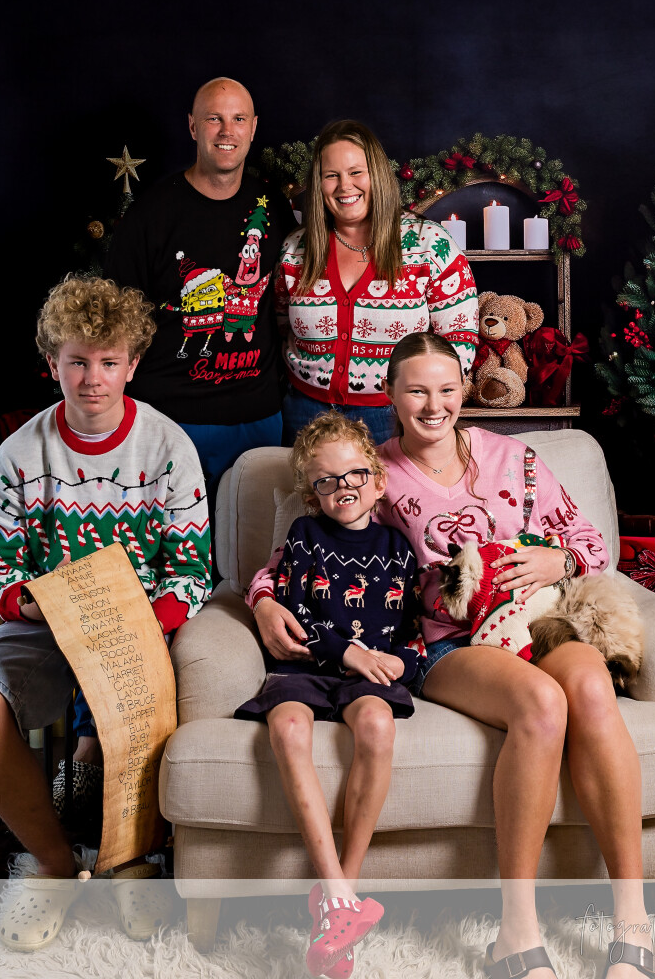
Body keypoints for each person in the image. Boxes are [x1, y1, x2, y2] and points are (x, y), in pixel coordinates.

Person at [249, 333, 655, 979]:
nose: (433, 404)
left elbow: (589, 540)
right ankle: (517, 932)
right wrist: (261, 601)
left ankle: (631, 924)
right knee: (540, 702)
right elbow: (295, 556)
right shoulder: (375, 473)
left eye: (446, 389)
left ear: (464, 389)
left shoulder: (513, 459)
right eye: (416, 391)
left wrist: (558, 559)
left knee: (588, 687)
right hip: (450, 643)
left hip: (537, 619)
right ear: (390, 395)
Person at [0, 275, 212, 951]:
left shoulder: (168, 447)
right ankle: (52, 862)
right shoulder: (20, 451)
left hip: (139, 623)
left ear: (132, 364)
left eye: (108, 362)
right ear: (52, 363)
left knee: (145, 705)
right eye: (77, 361)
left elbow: (190, 573)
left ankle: (130, 858)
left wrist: (145, 623)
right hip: (46, 622)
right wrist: (34, 604)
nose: (93, 379)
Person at [238, 410, 422, 978]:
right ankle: (336, 891)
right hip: (309, 663)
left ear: (378, 481)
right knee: (288, 726)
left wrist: (404, 660)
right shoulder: (304, 537)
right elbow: (295, 615)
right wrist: (348, 653)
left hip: (369, 674)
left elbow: (416, 631)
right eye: (326, 480)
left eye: (355, 474)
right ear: (311, 494)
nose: (344, 487)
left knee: (377, 726)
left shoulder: (399, 548)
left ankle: (343, 893)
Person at [104, 76, 296, 513]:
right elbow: (116, 323)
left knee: (252, 547)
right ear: (193, 126)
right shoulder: (151, 215)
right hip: (170, 417)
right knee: (169, 546)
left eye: (238, 119)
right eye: (214, 119)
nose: (227, 131)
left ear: (253, 127)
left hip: (257, 419)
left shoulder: (273, 207)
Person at [277, 119, 478, 446]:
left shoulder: (429, 244)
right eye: (331, 175)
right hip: (305, 413)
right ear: (319, 183)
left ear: (378, 175)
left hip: (393, 416)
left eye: (356, 172)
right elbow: (280, 326)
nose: (345, 186)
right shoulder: (295, 249)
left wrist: (427, 403)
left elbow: (460, 338)